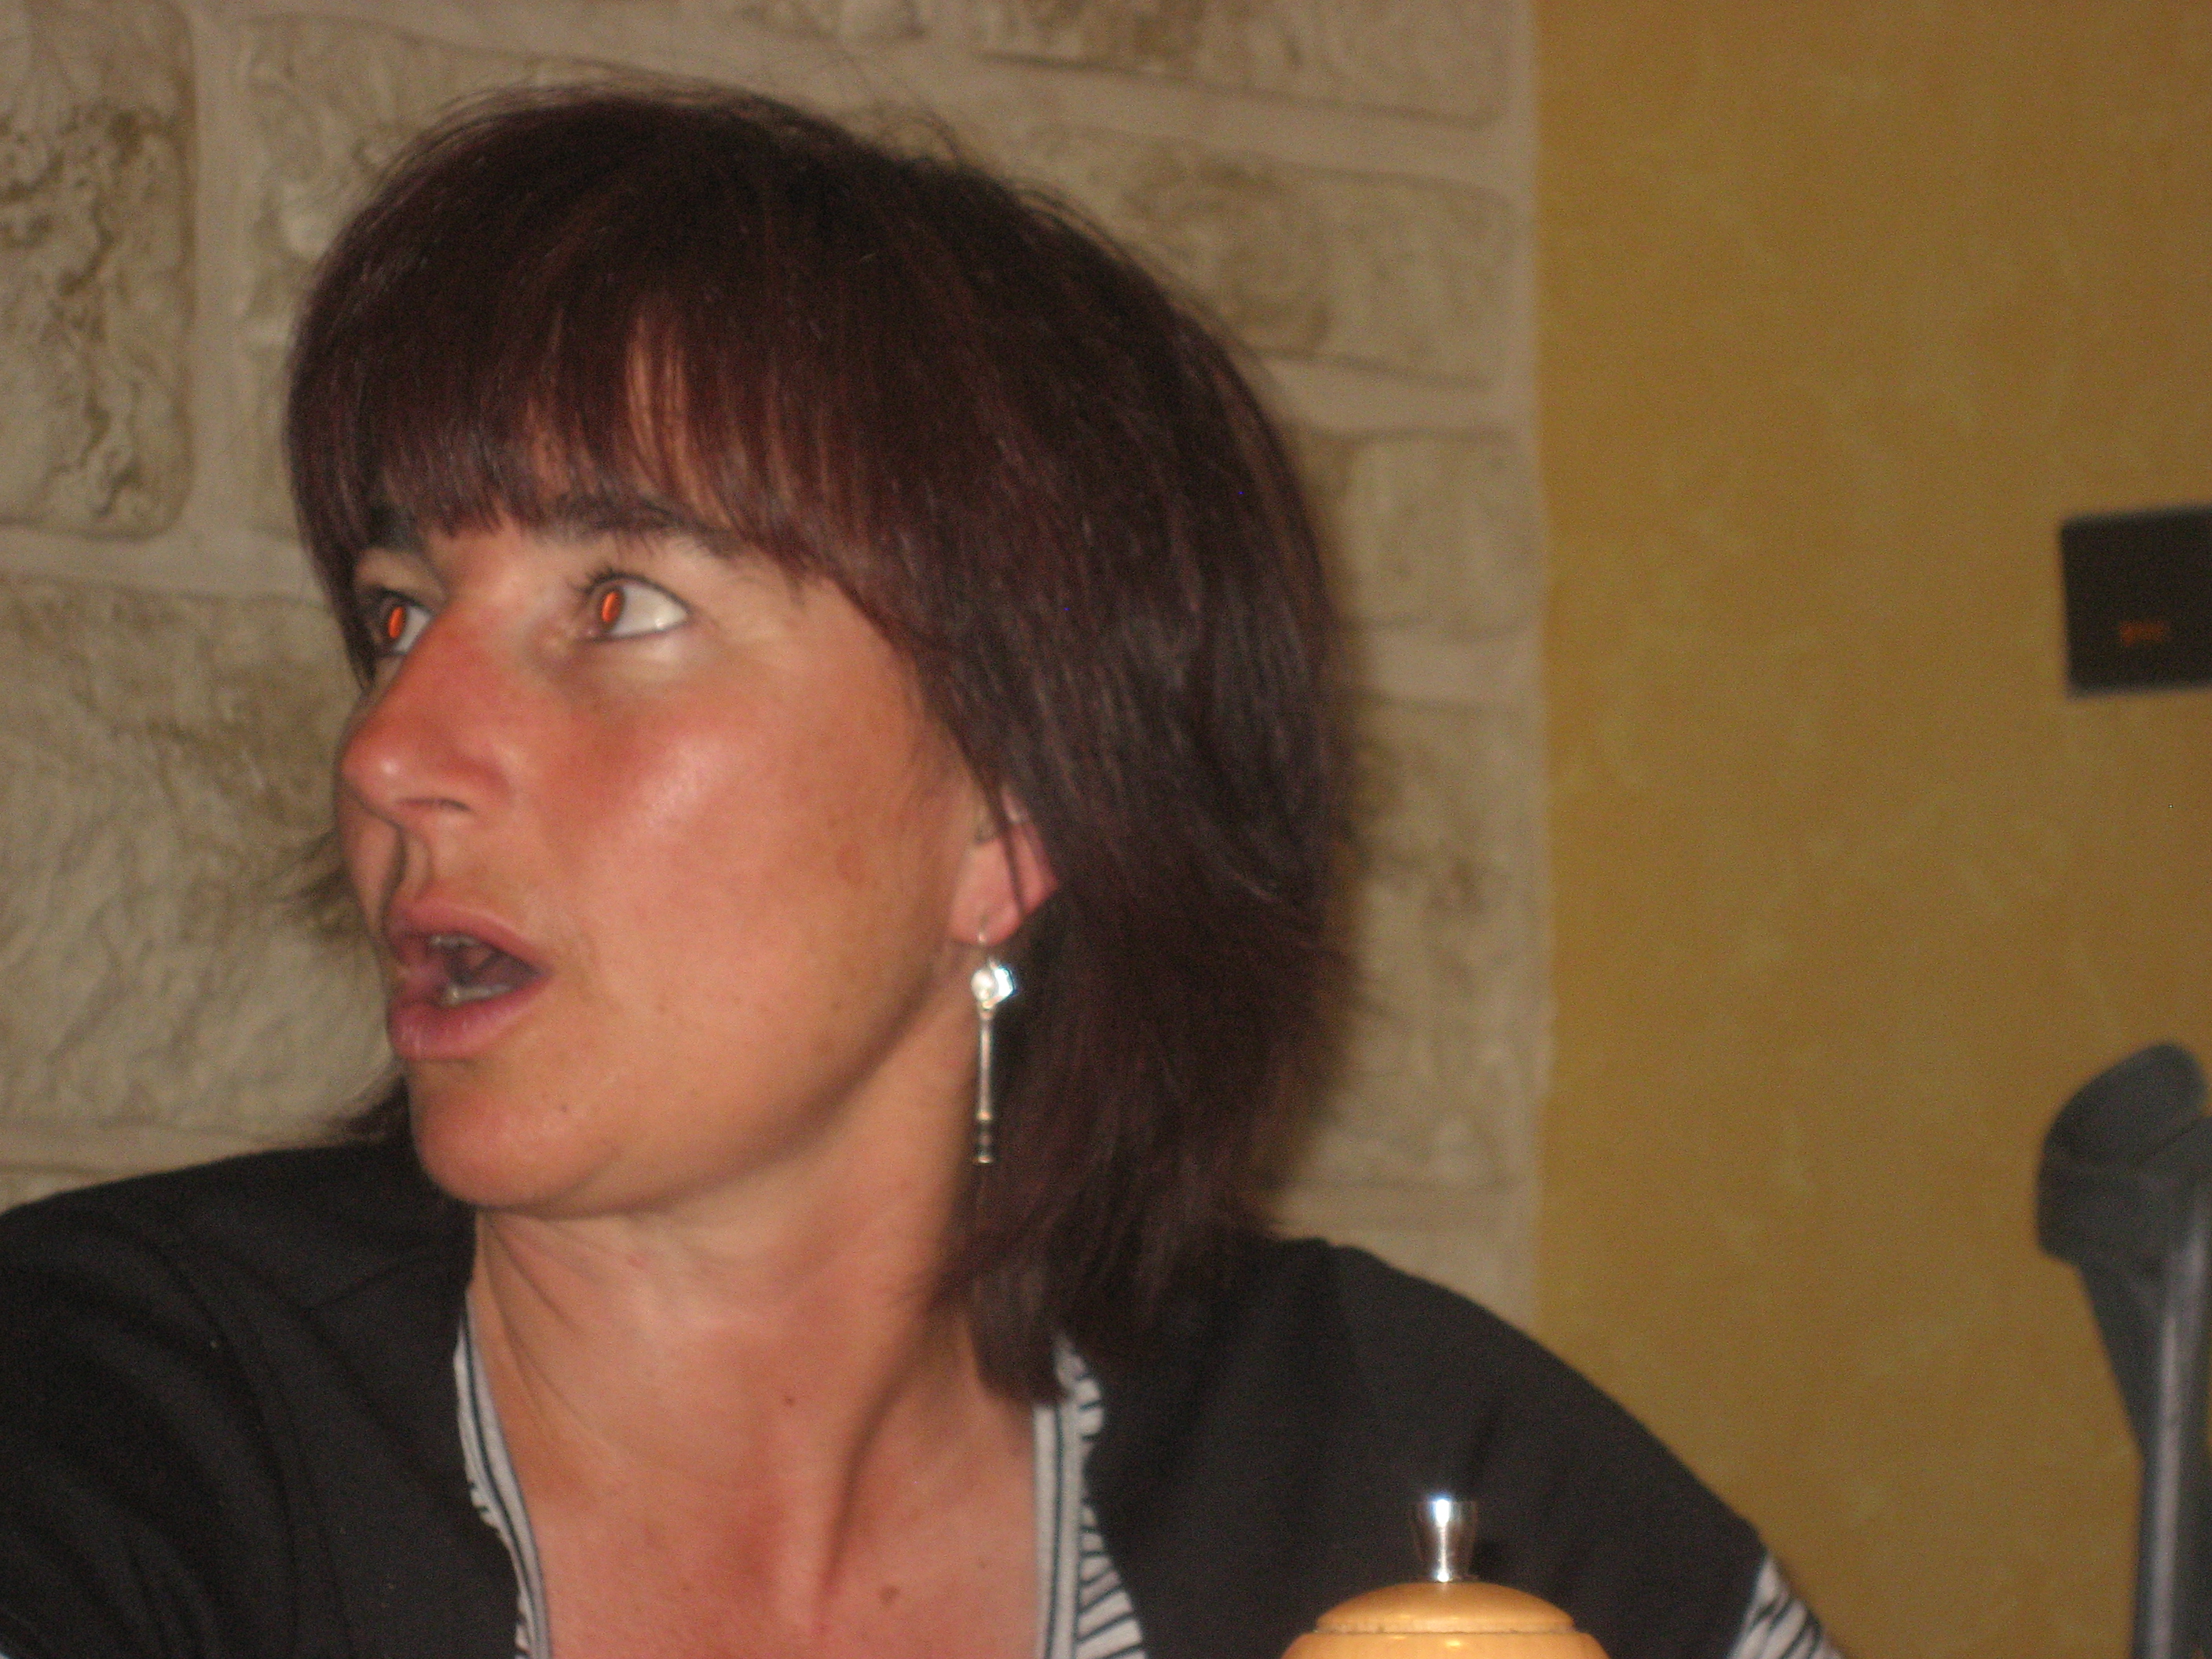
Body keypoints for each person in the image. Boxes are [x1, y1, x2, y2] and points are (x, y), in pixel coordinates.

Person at [0, 87, 1834, 1659]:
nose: (389, 749)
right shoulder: (97, 1430)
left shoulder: (1405, 1470)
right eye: (401, 612)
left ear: (1016, 821)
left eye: (615, 604)